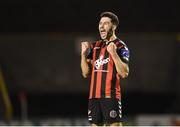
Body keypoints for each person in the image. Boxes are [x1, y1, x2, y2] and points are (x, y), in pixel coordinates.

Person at [80, 11, 130, 126]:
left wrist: (114, 54)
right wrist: (83, 55)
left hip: (110, 96)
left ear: (114, 26)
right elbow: (85, 73)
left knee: (115, 125)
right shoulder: (95, 46)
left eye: (106, 23)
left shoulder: (120, 46)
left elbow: (124, 73)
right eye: (100, 23)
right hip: (94, 97)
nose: (101, 26)